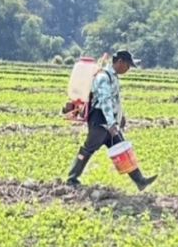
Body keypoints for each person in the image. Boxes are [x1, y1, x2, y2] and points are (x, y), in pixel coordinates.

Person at [66, 50, 157, 191]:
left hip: (108, 121)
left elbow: (114, 100)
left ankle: (140, 180)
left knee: (122, 148)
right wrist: (111, 123)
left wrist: (120, 117)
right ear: (119, 62)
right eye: (127, 65)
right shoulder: (103, 77)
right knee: (88, 149)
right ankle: (71, 179)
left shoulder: (112, 77)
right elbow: (105, 101)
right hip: (100, 120)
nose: (128, 69)